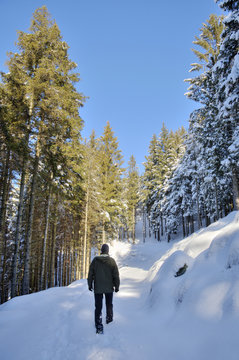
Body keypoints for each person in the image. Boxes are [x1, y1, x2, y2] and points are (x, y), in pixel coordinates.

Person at [87, 243, 120, 334]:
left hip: (98, 288)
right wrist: (117, 286)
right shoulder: (112, 261)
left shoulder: (95, 261)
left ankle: (98, 324)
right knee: (109, 304)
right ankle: (109, 319)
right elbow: (116, 275)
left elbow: (90, 274)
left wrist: (90, 284)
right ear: (108, 251)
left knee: (98, 306)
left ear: (101, 251)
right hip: (109, 288)